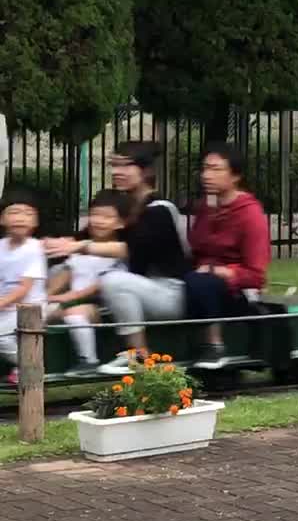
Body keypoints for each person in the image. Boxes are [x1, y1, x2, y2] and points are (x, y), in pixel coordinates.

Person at [44, 142, 191, 375]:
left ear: (146, 171)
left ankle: (139, 355)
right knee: (61, 275)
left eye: (124, 166)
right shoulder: (125, 207)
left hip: (169, 293)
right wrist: (58, 245)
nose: (116, 172)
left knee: (113, 279)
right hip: (132, 294)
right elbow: (86, 238)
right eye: (113, 165)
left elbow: (131, 249)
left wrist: (80, 246)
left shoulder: (159, 209)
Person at [184, 142, 271, 369]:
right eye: (204, 168)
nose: (207, 175)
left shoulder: (250, 214)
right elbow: (197, 248)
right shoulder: (206, 207)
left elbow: (256, 275)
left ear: (235, 176)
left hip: (237, 291)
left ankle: (215, 346)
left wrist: (218, 271)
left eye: (216, 169)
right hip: (199, 280)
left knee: (200, 281)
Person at [45, 190, 128, 375]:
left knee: (74, 313)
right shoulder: (80, 249)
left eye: (107, 217)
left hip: (102, 308)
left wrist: (65, 297)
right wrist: (44, 297)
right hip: (70, 301)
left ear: (121, 222)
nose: (98, 220)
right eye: (95, 214)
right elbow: (65, 275)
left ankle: (88, 361)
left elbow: (100, 286)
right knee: (38, 311)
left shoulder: (118, 252)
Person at [0, 189, 47, 382]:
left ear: (35, 222)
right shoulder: (1, 245)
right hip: (5, 305)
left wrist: (2, 303)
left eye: (27, 214)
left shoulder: (34, 248)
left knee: (1, 336)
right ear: (2, 219)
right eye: (14, 212)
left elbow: (24, 288)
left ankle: (29, 367)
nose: (21, 218)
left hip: (29, 307)